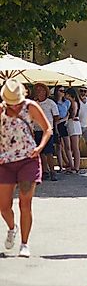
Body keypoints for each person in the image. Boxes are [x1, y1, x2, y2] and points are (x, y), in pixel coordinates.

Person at [0, 79, 52, 257]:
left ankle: (24, 243)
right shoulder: (1, 109)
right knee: (4, 206)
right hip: (5, 161)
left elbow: (47, 129)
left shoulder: (30, 107)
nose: (14, 105)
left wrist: (39, 148)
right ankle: (12, 227)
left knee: (25, 203)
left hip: (27, 160)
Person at [32, 83, 58, 181]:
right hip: (37, 130)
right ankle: (45, 171)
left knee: (49, 152)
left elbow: (56, 116)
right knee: (40, 152)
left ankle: (52, 171)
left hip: (47, 130)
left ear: (45, 92)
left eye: (41, 90)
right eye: (37, 90)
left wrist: (54, 128)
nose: (39, 92)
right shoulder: (34, 103)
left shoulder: (50, 103)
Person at [52, 86, 72, 173]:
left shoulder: (67, 102)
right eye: (61, 91)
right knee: (59, 146)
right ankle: (60, 166)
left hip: (63, 124)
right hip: (56, 125)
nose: (63, 92)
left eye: (64, 91)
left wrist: (63, 119)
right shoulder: (54, 103)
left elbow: (67, 115)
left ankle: (71, 164)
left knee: (68, 146)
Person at [65, 88, 83, 173]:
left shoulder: (74, 103)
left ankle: (76, 167)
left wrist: (69, 115)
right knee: (73, 146)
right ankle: (74, 166)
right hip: (72, 124)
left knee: (75, 147)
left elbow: (73, 114)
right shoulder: (71, 103)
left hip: (74, 124)